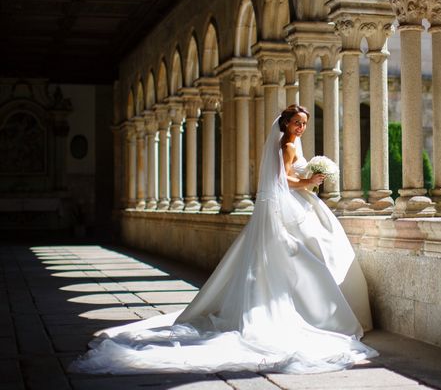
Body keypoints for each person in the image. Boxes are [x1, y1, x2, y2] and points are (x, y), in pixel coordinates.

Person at [69, 104, 377, 374]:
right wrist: (309, 180)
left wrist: (308, 181)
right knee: (305, 259)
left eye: (304, 123)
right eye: (298, 122)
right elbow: (282, 180)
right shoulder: (287, 144)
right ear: (285, 124)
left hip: (291, 207)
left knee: (298, 257)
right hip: (290, 208)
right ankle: (319, 314)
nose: (301, 127)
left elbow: (283, 181)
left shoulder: (291, 142)